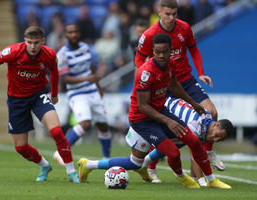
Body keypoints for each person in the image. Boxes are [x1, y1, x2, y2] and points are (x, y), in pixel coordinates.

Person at [78, 33, 231, 189]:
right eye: (157, 52)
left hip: (159, 111)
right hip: (142, 119)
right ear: (153, 51)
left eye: (165, 51)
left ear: (171, 51)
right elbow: (143, 106)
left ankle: (212, 180)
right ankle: (183, 178)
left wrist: (194, 104)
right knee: (165, 155)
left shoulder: (171, 64)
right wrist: (168, 121)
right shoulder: (145, 73)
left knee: (193, 141)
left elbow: (174, 85)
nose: (161, 55)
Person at [0, 26, 79, 183]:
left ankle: (71, 172)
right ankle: (44, 165)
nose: (32, 47)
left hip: (38, 95)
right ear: (24, 41)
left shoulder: (49, 54)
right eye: (29, 43)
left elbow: (54, 72)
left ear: (43, 41)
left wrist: (54, 94)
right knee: (20, 147)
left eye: (36, 43)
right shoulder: (12, 52)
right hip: (17, 99)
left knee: (56, 131)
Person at [134, 0, 221, 174]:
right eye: (167, 14)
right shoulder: (149, 34)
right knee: (176, 129)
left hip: (186, 80)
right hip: (164, 85)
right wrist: (144, 81)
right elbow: (139, 59)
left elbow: (194, 49)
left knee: (211, 113)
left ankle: (208, 154)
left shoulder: (184, 28)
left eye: (174, 14)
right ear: (159, 12)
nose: (171, 18)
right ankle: (151, 166)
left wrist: (201, 72)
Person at [143, 97, 234, 185]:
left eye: (219, 140)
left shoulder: (207, 126)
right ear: (215, 124)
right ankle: (147, 166)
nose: (215, 139)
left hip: (171, 109)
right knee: (169, 146)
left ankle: (148, 167)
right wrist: (202, 183)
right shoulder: (196, 125)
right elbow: (194, 156)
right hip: (162, 108)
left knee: (175, 145)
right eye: (217, 135)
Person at [56, 24, 112, 160]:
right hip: (77, 94)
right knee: (85, 124)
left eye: (75, 31)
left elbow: (91, 67)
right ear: (66, 35)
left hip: (92, 90)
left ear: (79, 33)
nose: (73, 34)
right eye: (70, 32)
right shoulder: (62, 55)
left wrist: (98, 87)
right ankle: (61, 153)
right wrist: (87, 78)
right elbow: (65, 79)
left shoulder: (85, 48)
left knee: (103, 126)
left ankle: (106, 159)